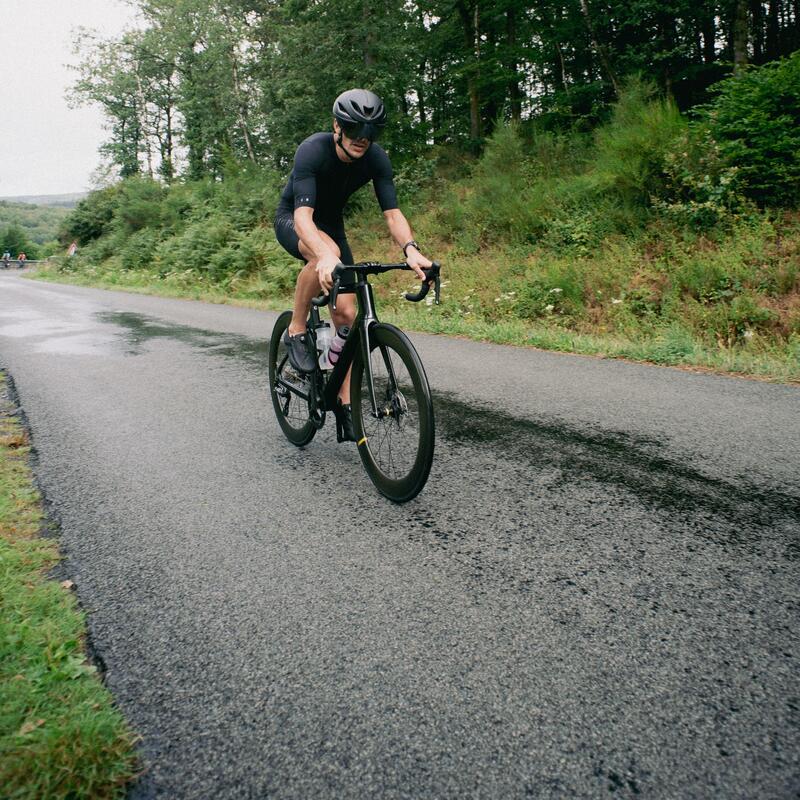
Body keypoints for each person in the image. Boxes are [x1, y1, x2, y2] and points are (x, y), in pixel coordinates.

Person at [274, 88, 432, 441]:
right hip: (295, 221)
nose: (363, 138)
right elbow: (302, 218)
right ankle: (296, 329)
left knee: (346, 314)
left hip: (332, 226)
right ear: (338, 126)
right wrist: (324, 255)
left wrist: (410, 248)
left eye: (371, 132)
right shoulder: (312, 150)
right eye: (355, 128)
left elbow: (392, 214)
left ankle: (344, 402)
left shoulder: (376, 158)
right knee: (323, 251)